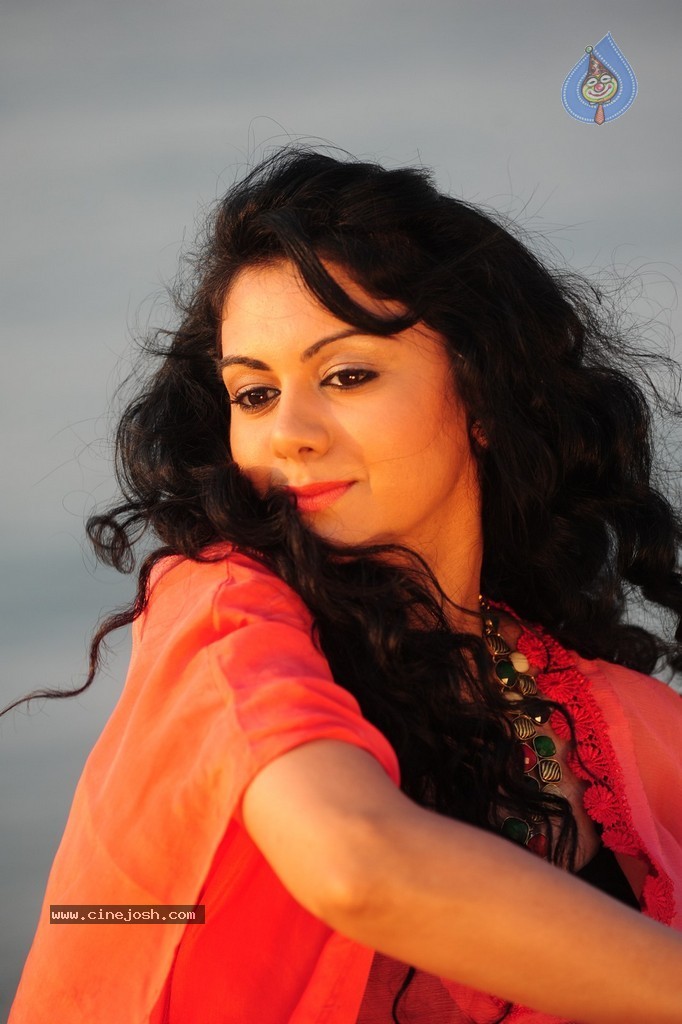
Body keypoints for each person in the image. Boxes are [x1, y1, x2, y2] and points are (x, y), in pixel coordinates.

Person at [7, 146, 682, 1024]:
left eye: (346, 376)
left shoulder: (602, 718)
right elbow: (357, 866)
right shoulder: (222, 612)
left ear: (485, 396)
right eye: (253, 394)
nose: (289, 432)